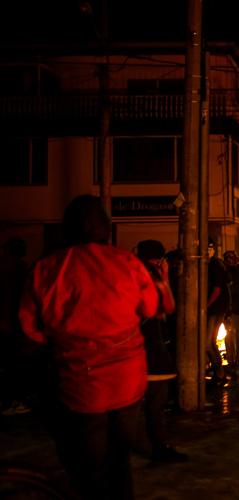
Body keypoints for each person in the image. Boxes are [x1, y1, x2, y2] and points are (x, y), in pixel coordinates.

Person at [18, 195, 169, 500]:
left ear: (67, 229)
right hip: (127, 382)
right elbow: (151, 308)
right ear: (107, 229)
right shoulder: (127, 263)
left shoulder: (45, 269)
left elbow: (29, 333)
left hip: (79, 386)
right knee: (120, 464)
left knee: (90, 471)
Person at [135, 240, 188, 462]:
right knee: (155, 404)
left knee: (127, 405)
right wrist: (164, 278)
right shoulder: (153, 279)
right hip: (152, 346)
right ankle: (158, 447)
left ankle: (116, 448)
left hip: (127, 347)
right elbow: (169, 307)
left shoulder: (128, 274)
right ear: (160, 261)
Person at [0, 237, 31, 415]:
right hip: (18, 326)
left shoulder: (1, 269)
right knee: (16, 365)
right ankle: (12, 401)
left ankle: (5, 400)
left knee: (4, 364)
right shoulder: (26, 272)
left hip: (2, 323)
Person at [205, 238, 231, 386]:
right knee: (209, 342)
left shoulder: (214, 265)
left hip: (215, 309)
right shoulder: (215, 264)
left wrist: (205, 306)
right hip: (217, 308)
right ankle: (218, 374)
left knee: (208, 343)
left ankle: (219, 374)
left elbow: (216, 290)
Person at [223, 250, 239, 379]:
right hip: (230, 308)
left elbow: (237, 288)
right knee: (231, 337)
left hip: (235, 308)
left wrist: (227, 289)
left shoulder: (238, 270)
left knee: (235, 337)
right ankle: (232, 363)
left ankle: (234, 363)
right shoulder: (227, 270)